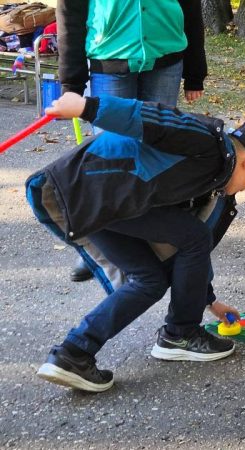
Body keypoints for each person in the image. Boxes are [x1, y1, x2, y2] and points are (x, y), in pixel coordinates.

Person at [27, 92, 245, 392]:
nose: (242, 190)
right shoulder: (207, 143)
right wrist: (87, 107)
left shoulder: (206, 178)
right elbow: (148, 116)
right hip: (97, 190)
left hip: (91, 201)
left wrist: (208, 299)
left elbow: (185, 253)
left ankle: (73, 353)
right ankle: (181, 333)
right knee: (193, 238)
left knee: (149, 279)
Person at [57, 0, 208, 281]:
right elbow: (70, 14)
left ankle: (154, 243)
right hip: (109, 59)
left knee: (157, 154)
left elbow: (190, 7)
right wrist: (71, 84)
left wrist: (195, 71)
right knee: (109, 161)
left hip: (167, 56)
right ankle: (102, 249)